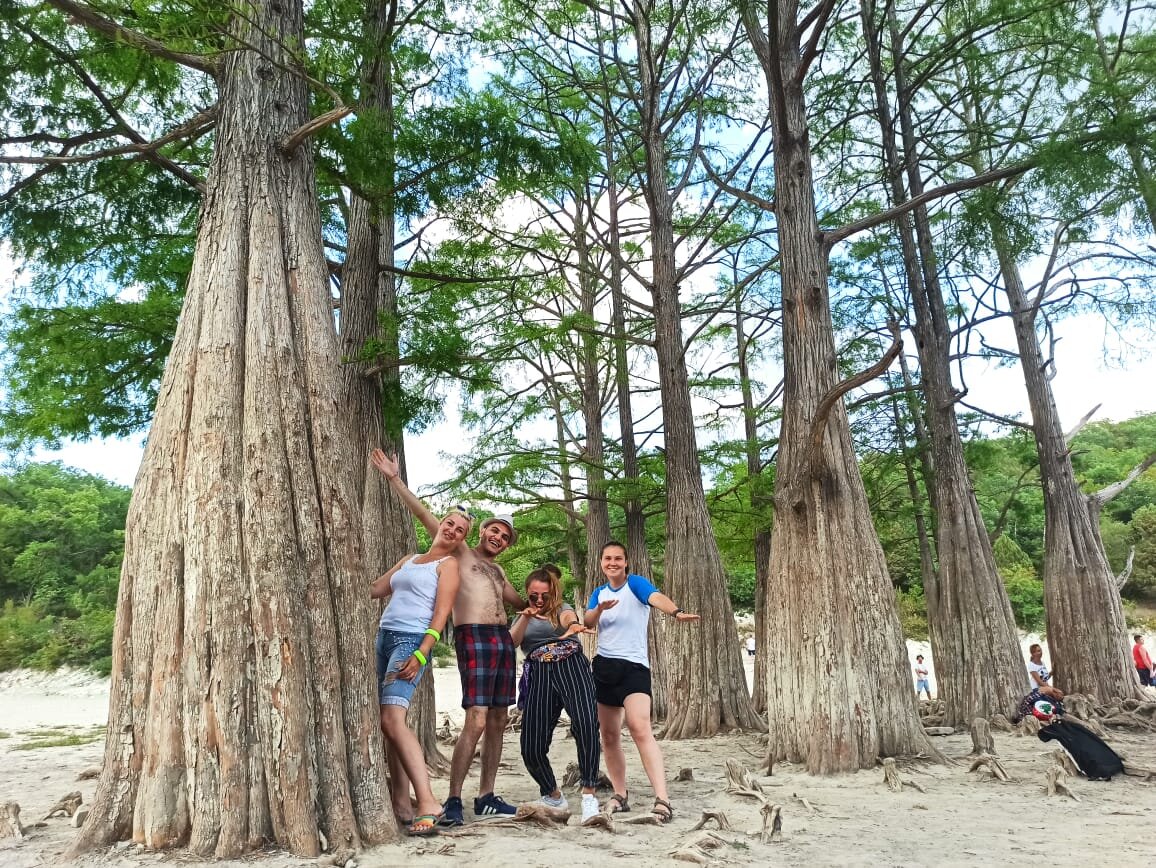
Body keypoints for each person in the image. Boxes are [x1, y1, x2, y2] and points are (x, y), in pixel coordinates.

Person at [372, 450, 525, 825]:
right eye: (494, 530)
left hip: (502, 640)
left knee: (498, 720)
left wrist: (550, 604)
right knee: (475, 718)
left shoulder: (498, 571)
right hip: (472, 637)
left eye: (505, 537)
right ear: (482, 531)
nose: (498, 537)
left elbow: (522, 602)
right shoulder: (459, 555)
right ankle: (453, 798)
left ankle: (486, 794)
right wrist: (395, 479)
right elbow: (425, 514)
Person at [584, 540, 699, 824]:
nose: (613, 563)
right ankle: (620, 794)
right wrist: (599, 609)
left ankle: (662, 798)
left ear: (626, 562)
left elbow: (656, 597)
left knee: (640, 727)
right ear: (601, 562)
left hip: (634, 668)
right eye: (608, 558)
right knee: (609, 735)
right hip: (604, 667)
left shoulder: (635, 584)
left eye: (618, 559)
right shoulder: (598, 593)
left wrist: (675, 612)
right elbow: (587, 622)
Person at [370, 510, 463, 836]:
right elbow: (377, 588)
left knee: (392, 719)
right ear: (440, 525)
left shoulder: (448, 565)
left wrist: (423, 651)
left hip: (410, 642)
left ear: (461, 539)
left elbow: (441, 614)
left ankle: (427, 801)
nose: (452, 530)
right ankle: (400, 802)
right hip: (384, 638)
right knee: (390, 723)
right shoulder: (411, 559)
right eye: (449, 523)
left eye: (460, 530)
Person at [509, 564, 601, 823]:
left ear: (554, 594)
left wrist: (574, 627)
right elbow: (513, 642)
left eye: (545, 596)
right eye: (533, 595)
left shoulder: (562, 609)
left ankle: (589, 795)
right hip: (538, 673)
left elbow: (569, 618)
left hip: (570, 666)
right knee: (531, 744)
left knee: (585, 724)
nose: (539, 600)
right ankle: (552, 794)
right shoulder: (522, 616)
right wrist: (526, 616)